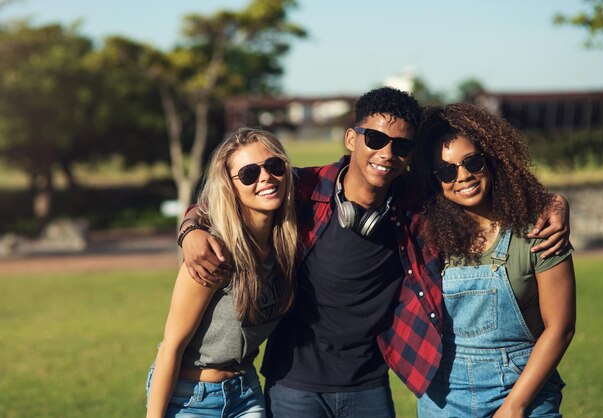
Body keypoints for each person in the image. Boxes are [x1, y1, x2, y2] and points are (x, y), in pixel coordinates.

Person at [178, 87, 571, 418]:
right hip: (292, 383)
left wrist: (552, 201)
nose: (386, 153)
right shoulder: (304, 188)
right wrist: (192, 228)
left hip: (369, 384)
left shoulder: (418, 207)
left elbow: (482, 187)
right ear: (352, 139)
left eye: (401, 145)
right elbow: (235, 197)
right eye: (375, 139)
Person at [415, 103, 576, 418]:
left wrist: (515, 406)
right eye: (447, 170)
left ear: (492, 161)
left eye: (472, 162)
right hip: (445, 398)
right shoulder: (427, 236)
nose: (463, 176)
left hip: (524, 389)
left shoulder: (539, 229)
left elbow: (561, 328)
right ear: (434, 180)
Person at [146, 128, 298, 418]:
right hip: (190, 398)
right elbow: (171, 347)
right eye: (249, 174)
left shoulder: (286, 244)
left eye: (274, 166)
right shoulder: (213, 253)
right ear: (231, 187)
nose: (265, 177)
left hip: (245, 392)